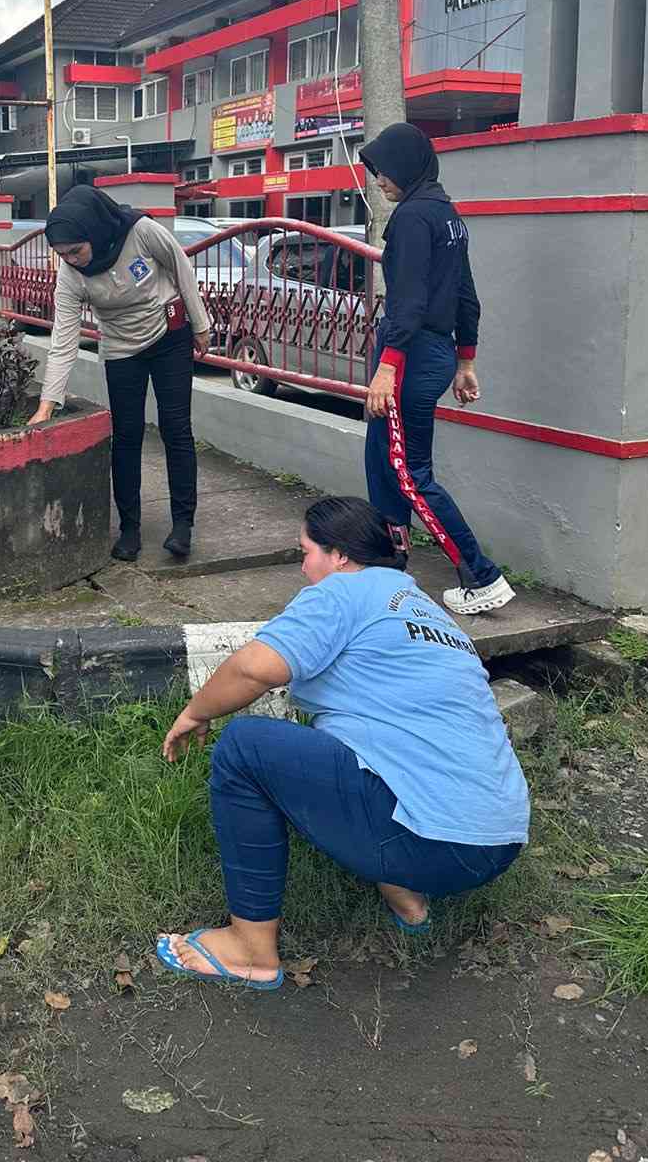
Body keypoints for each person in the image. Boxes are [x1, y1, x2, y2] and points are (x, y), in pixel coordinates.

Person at [156, 496, 528, 989]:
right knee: (358, 744)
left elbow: (254, 668)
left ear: (340, 556)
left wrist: (193, 712)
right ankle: (409, 899)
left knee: (244, 746)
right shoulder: (430, 613)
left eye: (305, 551)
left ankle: (250, 949)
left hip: (433, 839)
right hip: (497, 841)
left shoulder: (342, 594)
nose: (303, 565)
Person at [358, 121, 514, 616]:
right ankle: (390, 560)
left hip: (410, 354)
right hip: (434, 350)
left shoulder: (412, 219)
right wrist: (465, 360)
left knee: (409, 472)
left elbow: (408, 302)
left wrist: (388, 367)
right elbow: (466, 295)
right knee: (382, 455)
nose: (378, 180)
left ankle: (481, 576)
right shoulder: (447, 214)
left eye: (383, 170)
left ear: (406, 165)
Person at [28, 184, 210, 561]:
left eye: (76, 250)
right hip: (121, 348)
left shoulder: (141, 231)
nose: (72, 260)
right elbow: (63, 339)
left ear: (93, 230)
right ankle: (130, 529)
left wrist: (200, 325)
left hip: (168, 337)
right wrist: (48, 404)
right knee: (126, 436)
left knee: (176, 429)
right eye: (62, 255)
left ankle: (182, 525)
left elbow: (181, 268)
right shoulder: (70, 273)